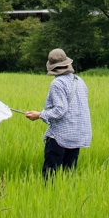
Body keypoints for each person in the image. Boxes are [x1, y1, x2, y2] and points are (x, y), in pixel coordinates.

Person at [24, 48, 91, 178]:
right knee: (69, 174)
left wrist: (39, 115)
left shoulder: (57, 83)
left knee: (50, 175)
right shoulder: (79, 81)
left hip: (60, 136)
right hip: (77, 135)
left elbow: (60, 110)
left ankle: (49, 196)